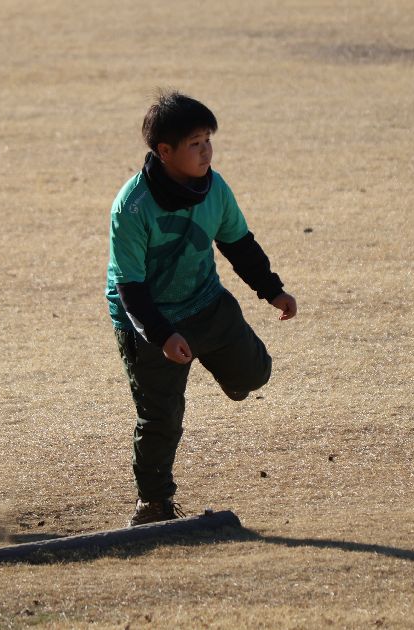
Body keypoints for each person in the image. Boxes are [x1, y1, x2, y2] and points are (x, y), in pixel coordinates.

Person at [104, 89, 297, 527]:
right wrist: (162, 335)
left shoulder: (215, 188)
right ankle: (153, 503)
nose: (207, 150)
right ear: (164, 151)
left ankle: (224, 367)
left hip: (206, 302)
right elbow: (130, 287)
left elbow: (238, 243)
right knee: (160, 415)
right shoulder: (132, 208)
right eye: (195, 143)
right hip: (147, 319)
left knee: (254, 374)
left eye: (208, 139)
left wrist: (272, 290)